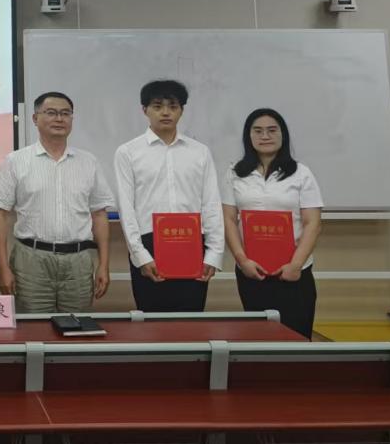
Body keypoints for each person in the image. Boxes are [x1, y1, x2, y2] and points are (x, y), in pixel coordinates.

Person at [0, 91, 113, 313]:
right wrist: (3, 268)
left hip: (78, 262)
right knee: (33, 328)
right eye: (51, 113)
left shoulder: (89, 162)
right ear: (35, 118)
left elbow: (99, 214)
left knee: (76, 328)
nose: (59, 119)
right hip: (30, 262)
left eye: (65, 113)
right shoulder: (16, 161)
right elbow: (0, 215)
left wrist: (104, 265)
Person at [113, 79, 223, 312]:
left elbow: (211, 204)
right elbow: (126, 208)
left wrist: (213, 254)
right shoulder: (128, 152)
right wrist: (140, 255)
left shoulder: (200, 152)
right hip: (148, 246)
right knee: (152, 323)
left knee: (191, 321)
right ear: (145, 110)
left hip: (192, 244)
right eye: (157, 106)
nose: (165, 112)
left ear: (181, 110)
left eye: (173, 106)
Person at [221, 108, 323, 338]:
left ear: (282, 134)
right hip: (251, 271)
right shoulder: (235, 173)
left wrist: (295, 265)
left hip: (293, 272)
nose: (265, 136)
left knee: (295, 336)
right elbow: (228, 219)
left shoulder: (301, 173)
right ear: (248, 136)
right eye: (258, 131)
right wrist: (242, 260)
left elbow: (313, 223)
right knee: (259, 337)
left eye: (272, 130)